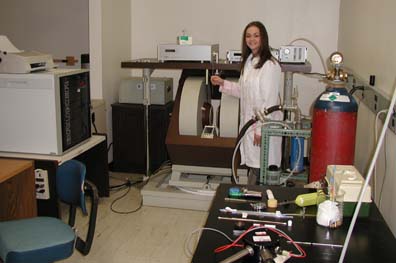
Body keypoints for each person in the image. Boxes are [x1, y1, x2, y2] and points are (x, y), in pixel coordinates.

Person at [211, 21, 282, 185]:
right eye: (248, 36)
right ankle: (254, 196)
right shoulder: (249, 63)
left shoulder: (270, 65)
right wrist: (223, 83)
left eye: (256, 35)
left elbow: (270, 101)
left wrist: (260, 130)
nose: (252, 39)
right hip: (250, 124)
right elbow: (245, 92)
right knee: (254, 165)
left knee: (263, 166)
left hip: (262, 125)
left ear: (263, 38)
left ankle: (261, 198)